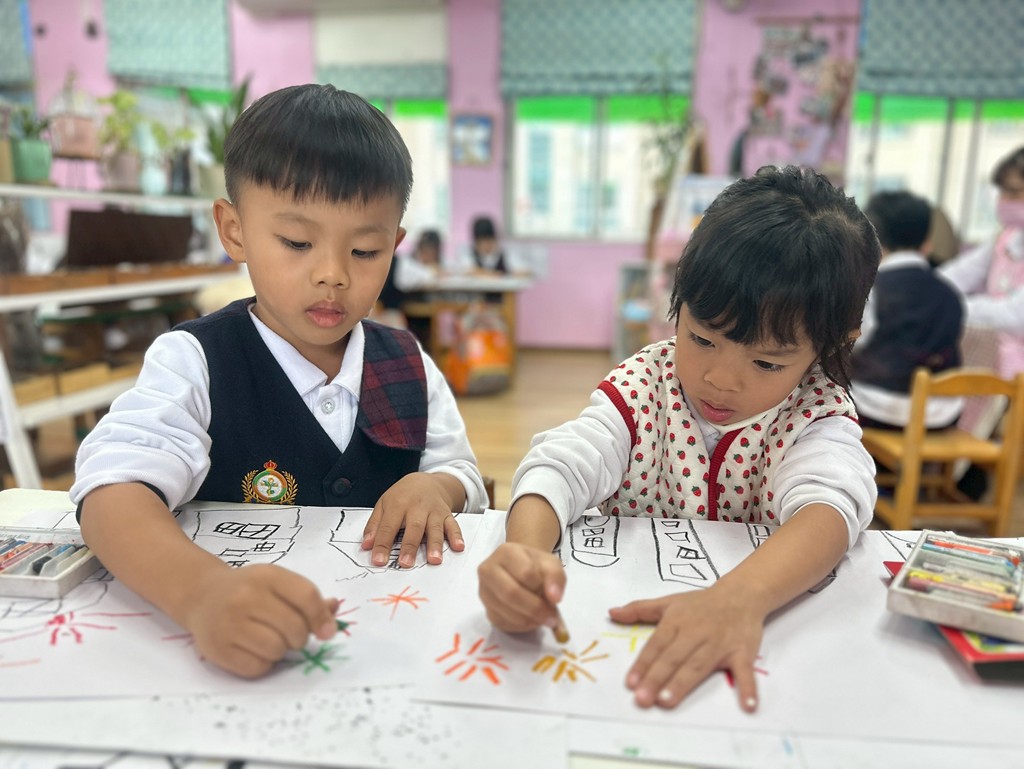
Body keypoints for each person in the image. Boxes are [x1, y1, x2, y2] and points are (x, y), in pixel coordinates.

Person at [71, 84, 488, 679]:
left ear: (395, 245)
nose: (332, 274)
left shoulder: (408, 361)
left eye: (365, 250)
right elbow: (113, 489)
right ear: (234, 230)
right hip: (235, 648)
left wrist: (436, 487)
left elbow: (461, 472)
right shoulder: (195, 360)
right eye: (296, 242)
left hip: (388, 645)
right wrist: (201, 592)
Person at [477, 165, 880, 713]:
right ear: (678, 299)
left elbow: (830, 508)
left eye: (766, 362)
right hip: (615, 646)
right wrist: (523, 554)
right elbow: (563, 464)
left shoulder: (816, 415)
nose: (720, 379)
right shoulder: (647, 383)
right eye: (702, 338)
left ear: (833, 344)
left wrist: (740, 599)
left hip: (753, 652)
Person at [851, 190, 964, 431]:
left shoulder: (872, 288)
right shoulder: (950, 292)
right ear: (927, 244)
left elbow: (855, 342)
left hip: (879, 410)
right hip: (942, 414)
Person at [939, 145, 1024, 380]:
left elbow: (1015, 316)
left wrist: (947, 306)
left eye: (1014, 193)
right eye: (1002, 192)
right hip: (992, 366)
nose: (1004, 201)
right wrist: (924, 289)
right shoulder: (1005, 239)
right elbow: (958, 274)